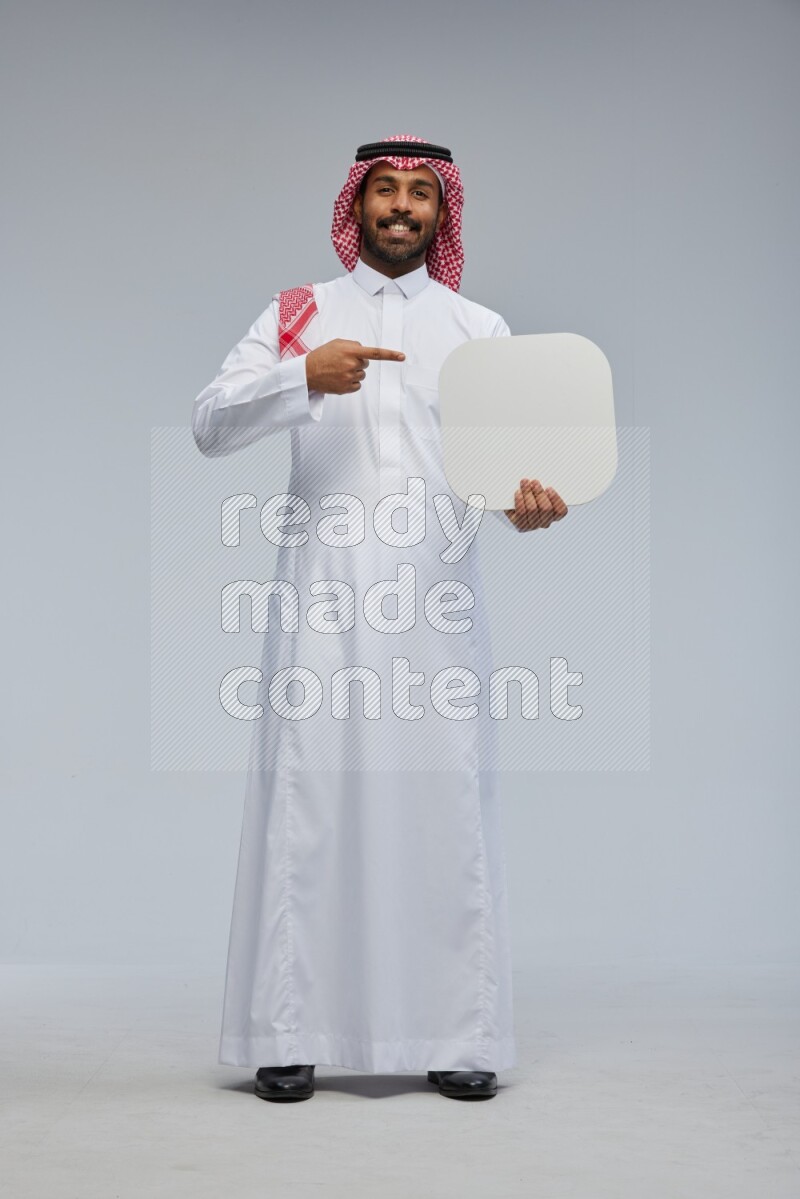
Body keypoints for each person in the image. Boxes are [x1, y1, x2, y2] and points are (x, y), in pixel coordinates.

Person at [191, 134, 568, 1103]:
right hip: (319, 600)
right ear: (354, 206)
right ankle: (289, 1029)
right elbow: (209, 424)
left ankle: (456, 1034)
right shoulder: (295, 314)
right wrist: (298, 375)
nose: (400, 207)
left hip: (436, 608)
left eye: (419, 196)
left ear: (444, 215)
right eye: (384, 192)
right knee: (308, 806)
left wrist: (532, 502)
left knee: (441, 804)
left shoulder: (480, 327)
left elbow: (509, 474)